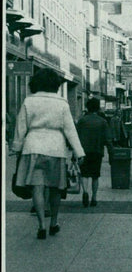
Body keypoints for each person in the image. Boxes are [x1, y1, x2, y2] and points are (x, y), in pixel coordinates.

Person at [10, 68, 85, 240]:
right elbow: (70, 130)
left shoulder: (29, 102)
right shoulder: (62, 104)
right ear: (55, 85)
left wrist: (16, 147)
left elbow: (20, 127)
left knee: (37, 187)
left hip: (33, 146)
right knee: (56, 188)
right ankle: (54, 223)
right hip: (55, 148)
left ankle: (41, 225)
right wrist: (78, 152)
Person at [76, 97, 114, 208]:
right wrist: (111, 153)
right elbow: (108, 139)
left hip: (83, 151)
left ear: (87, 107)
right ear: (97, 108)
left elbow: (76, 137)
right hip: (97, 151)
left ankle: (85, 192)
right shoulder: (102, 122)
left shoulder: (82, 121)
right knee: (95, 176)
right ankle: (94, 197)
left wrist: (75, 153)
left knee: (84, 174)